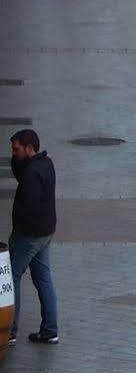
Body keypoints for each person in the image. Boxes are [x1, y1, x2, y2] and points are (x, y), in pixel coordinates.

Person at [9, 129, 58, 345]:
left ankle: (9, 330)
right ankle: (50, 330)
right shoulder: (46, 164)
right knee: (43, 280)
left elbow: (27, 208)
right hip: (45, 232)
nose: (13, 153)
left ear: (30, 148)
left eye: (16, 149)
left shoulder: (31, 174)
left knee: (11, 277)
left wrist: (18, 232)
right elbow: (19, 171)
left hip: (29, 235)